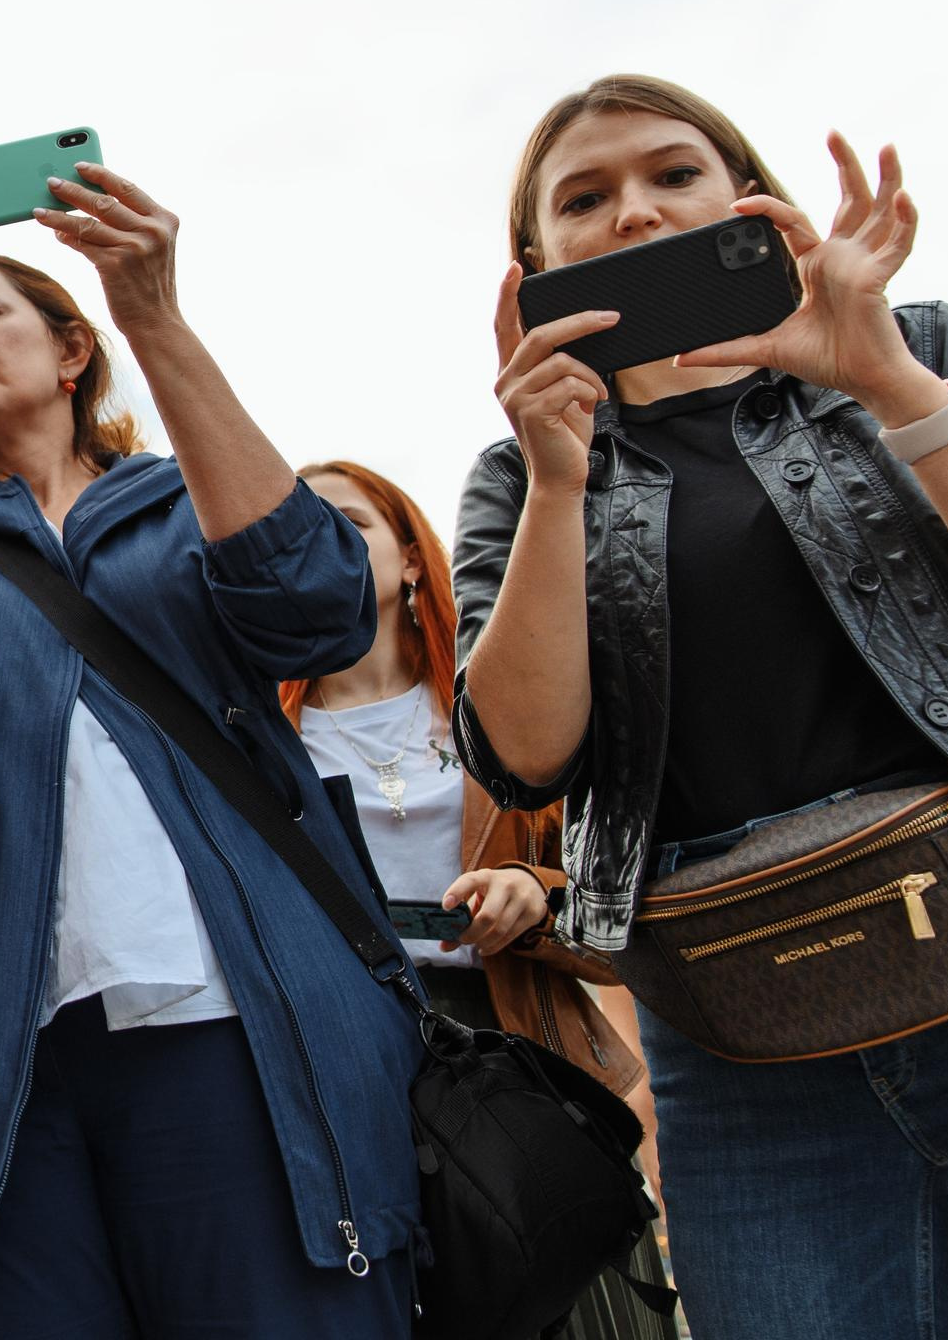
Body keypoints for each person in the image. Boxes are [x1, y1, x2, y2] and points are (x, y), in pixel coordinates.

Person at [0, 157, 423, 1338]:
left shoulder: (190, 505)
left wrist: (153, 315)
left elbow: (315, 608)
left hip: (234, 1028)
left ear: (72, 351)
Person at [456, 73, 948, 1340]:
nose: (634, 213)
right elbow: (525, 756)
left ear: (748, 199)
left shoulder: (916, 343)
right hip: (740, 1029)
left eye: (673, 174)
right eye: (583, 199)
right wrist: (558, 481)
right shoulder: (518, 472)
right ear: (532, 264)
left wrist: (887, 380)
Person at [283, 459, 674, 1340]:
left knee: (590, 1306)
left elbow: (624, 899)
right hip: (350, 1053)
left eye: (347, 521)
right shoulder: (259, 737)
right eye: (296, 527)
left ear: (410, 559)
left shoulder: (505, 709)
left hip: (518, 1041)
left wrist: (535, 896)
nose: (321, 540)